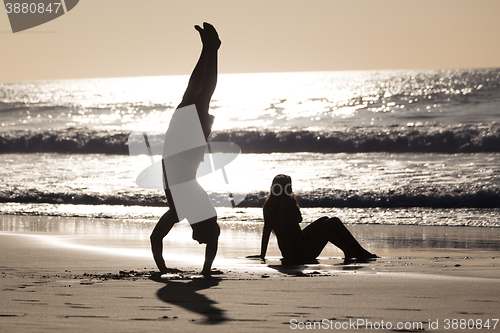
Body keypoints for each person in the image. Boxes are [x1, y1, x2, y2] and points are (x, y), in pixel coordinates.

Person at [150, 22, 221, 277]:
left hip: (182, 150)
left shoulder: (181, 210)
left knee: (196, 95)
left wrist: (164, 269)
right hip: (182, 150)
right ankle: (210, 50)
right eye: (201, 240)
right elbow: (155, 239)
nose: (198, 241)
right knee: (199, 95)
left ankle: (210, 49)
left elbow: (155, 238)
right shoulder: (185, 208)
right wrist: (204, 271)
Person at [250, 174, 376, 264]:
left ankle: (348, 251)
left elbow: (266, 230)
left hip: (289, 252)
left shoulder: (269, 205)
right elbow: (299, 219)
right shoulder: (288, 202)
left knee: (325, 220)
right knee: (334, 222)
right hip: (303, 251)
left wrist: (263, 254)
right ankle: (360, 252)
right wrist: (292, 201)